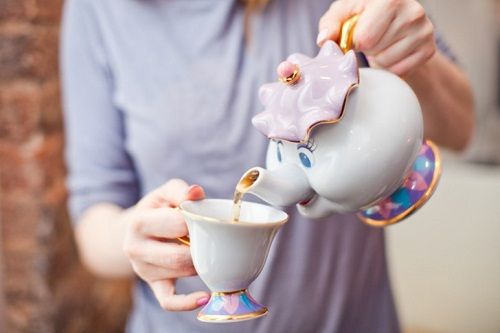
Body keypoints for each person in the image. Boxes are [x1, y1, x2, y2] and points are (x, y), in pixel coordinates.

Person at [61, 0, 474, 332]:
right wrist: (134, 238)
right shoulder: (98, 11)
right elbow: (95, 214)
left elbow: (463, 127)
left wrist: (408, 58)